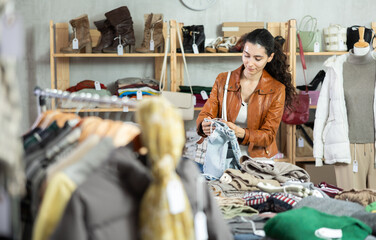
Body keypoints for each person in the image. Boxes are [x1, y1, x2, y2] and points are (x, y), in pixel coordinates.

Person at [196, 28, 295, 159]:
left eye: (257, 58)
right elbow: (207, 113)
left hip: (258, 161)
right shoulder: (223, 80)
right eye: (246, 55)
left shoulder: (276, 90)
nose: (250, 63)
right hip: (224, 156)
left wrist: (240, 133)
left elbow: (268, 136)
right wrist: (204, 125)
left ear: (270, 57)